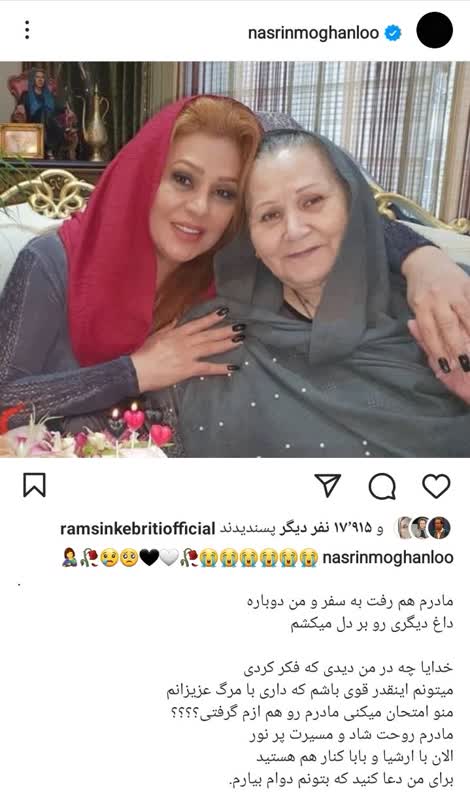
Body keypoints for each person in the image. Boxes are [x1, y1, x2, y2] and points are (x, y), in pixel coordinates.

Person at [1, 100, 469, 441]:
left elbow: (334, 219)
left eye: (225, 193)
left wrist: (424, 259)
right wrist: (135, 371)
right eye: (182, 179)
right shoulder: (52, 262)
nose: (200, 208)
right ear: (144, 174)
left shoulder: (226, 266)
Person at [165, 128, 470, 457]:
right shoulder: (213, 336)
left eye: (312, 201)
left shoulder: (445, 306)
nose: (294, 230)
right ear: (250, 239)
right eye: (270, 215)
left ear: (352, 205)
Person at [16, 68, 67, 158]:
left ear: (44, 80)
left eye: (42, 77)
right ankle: (49, 149)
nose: (40, 79)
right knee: (43, 112)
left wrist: (67, 110)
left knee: (48, 114)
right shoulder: (26, 95)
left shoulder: (49, 95)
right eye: (37, 77)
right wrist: (20, 109)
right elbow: (19, 107)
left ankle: (48, 147)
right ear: (33, 80)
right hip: (32, 122)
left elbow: (58, 109)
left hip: (48, 123)